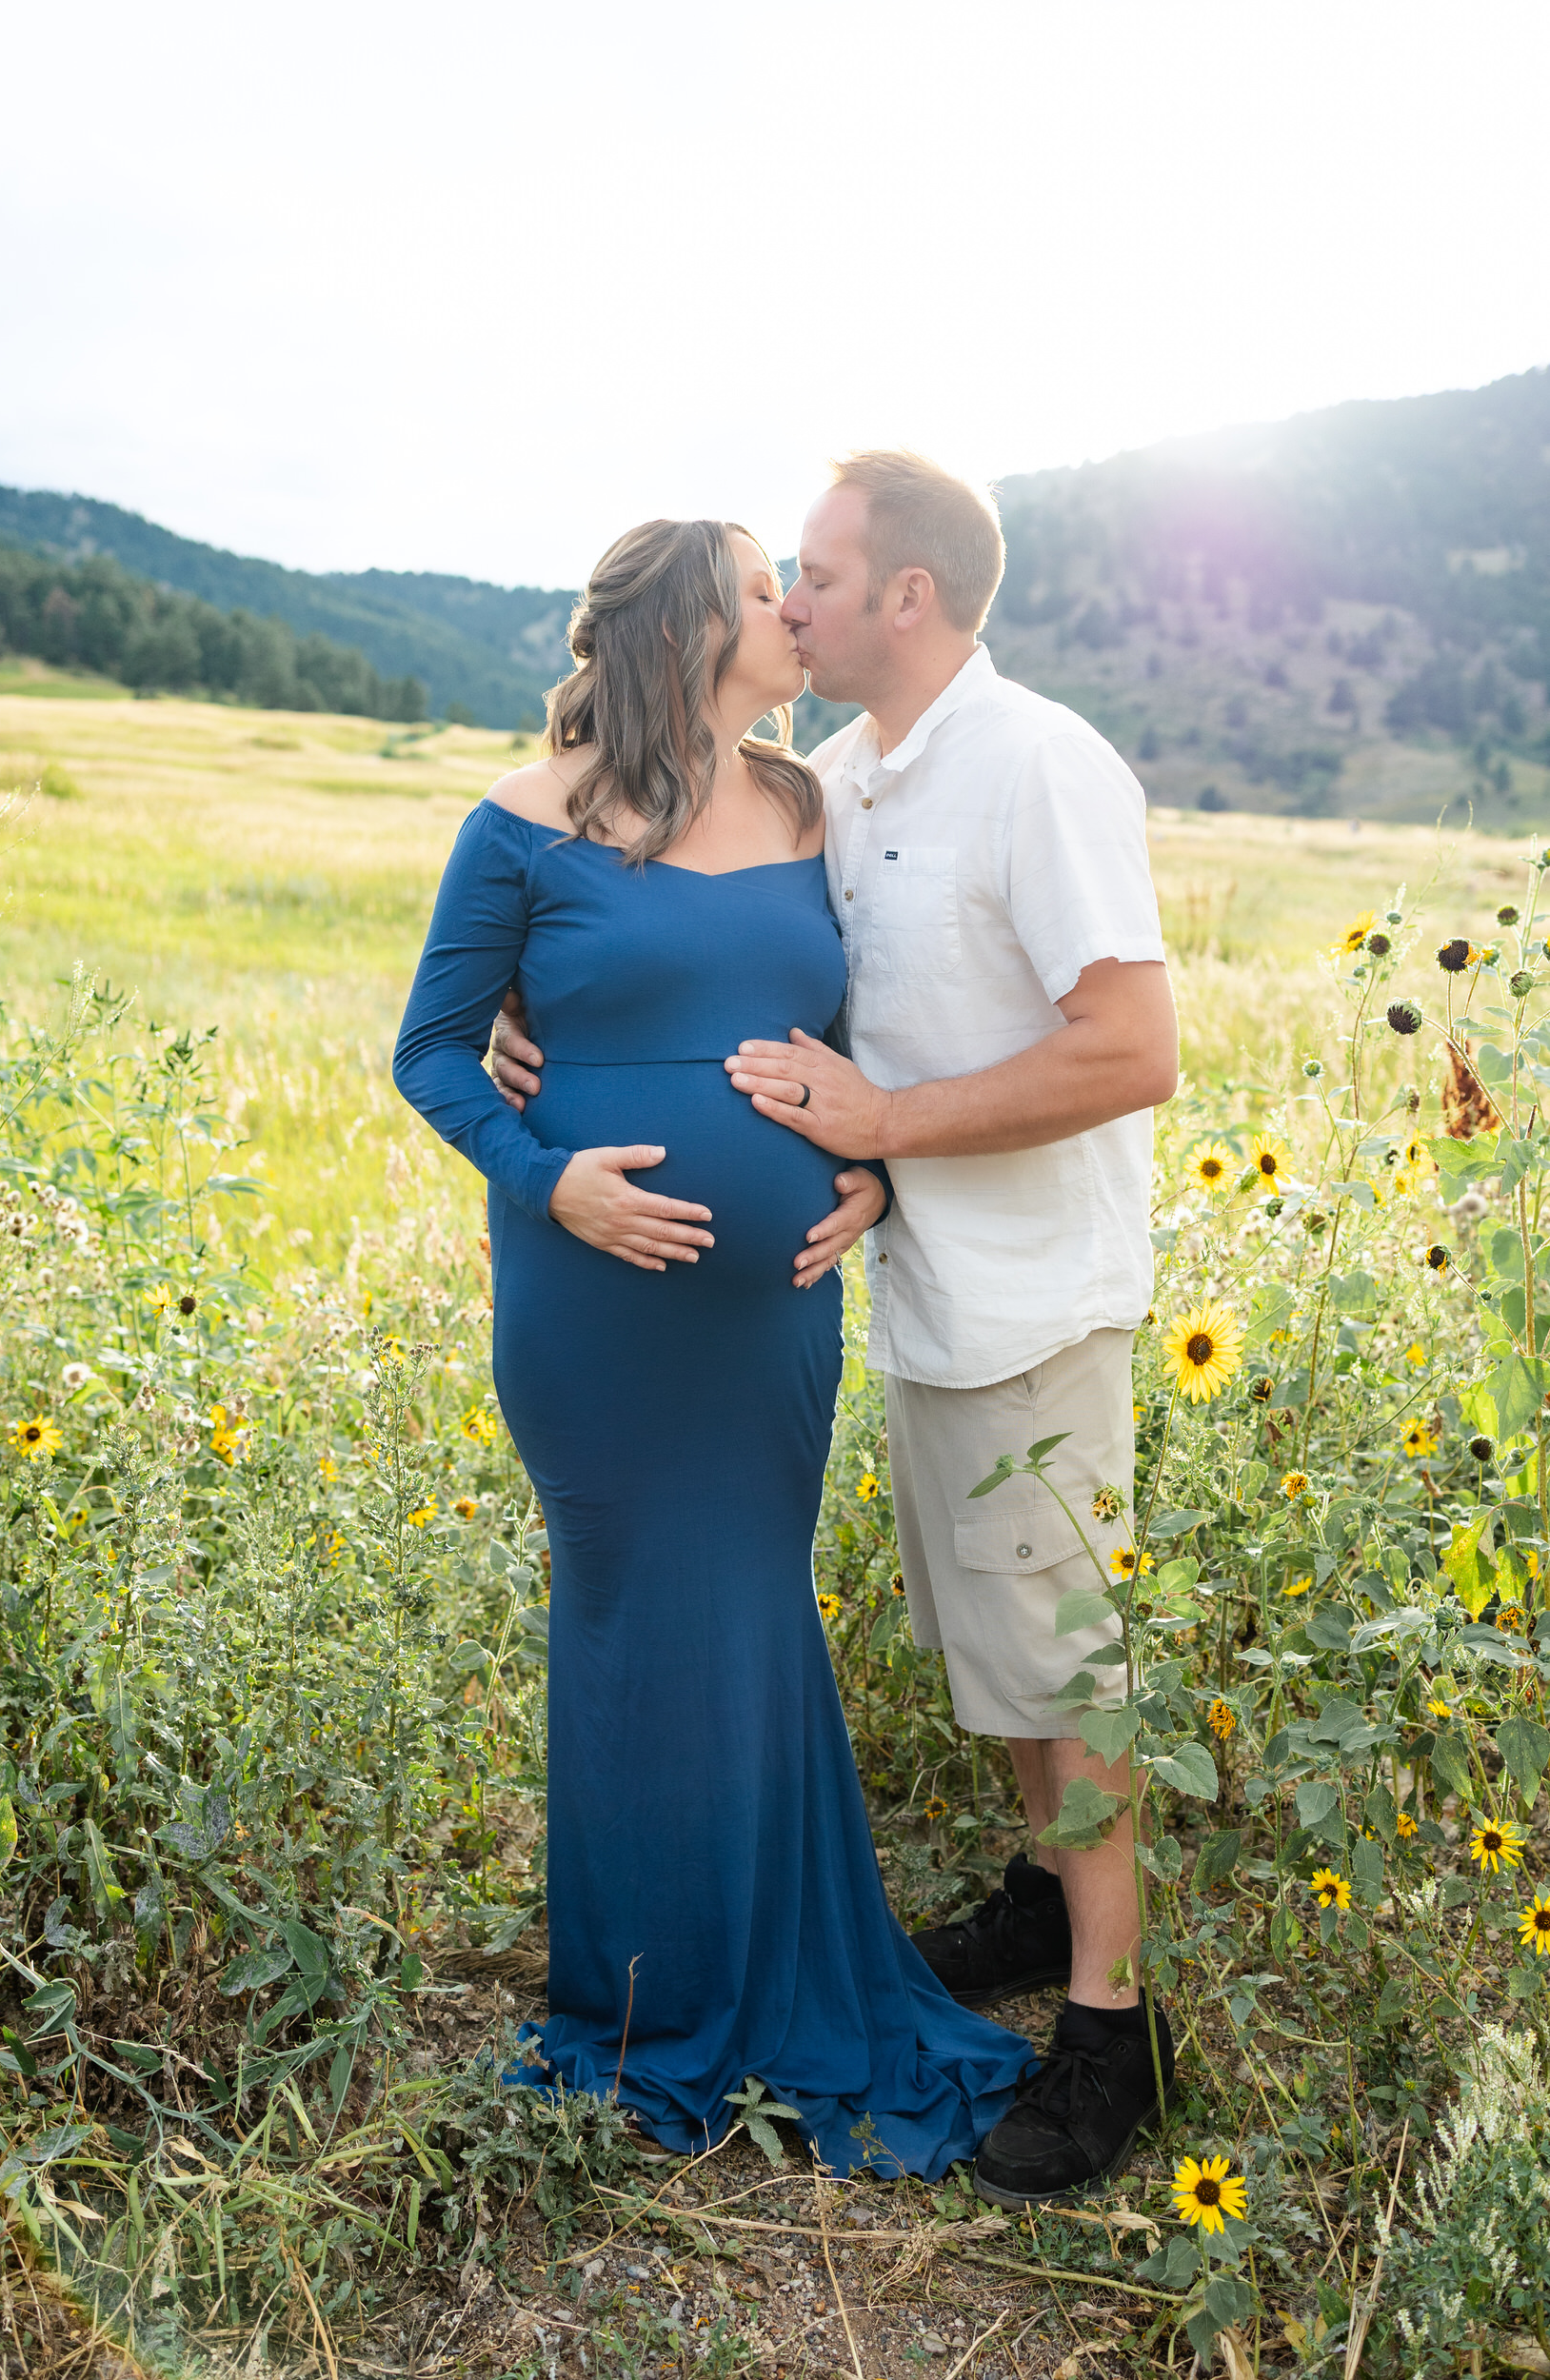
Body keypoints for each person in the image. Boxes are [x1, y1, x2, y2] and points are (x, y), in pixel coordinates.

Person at [496, 456, 1181, 2205]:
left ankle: (1114, 2031)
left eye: (814, 574)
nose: (790, 604)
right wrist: (538, 1042)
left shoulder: (1041, 765)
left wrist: (883, 1135)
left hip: (1035, 1295)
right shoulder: (843, 782)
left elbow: (1132, 1052)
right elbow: (759, 980)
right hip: (904, 1288)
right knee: (1006, 1655)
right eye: (777, 581)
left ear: (910, 598)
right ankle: (1042, 1907)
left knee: (1070, 1665)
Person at [392, 516, 1033, 2177]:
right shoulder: (523, 827)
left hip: (770, 1310)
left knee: (752, 1609)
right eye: (766, 587)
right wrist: (554, 1186)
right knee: (624, 1626)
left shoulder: (812, 804)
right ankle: (637, 2003)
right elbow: (435, 1054)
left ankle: (772, 1975)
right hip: (593, 1308)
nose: (794, 608)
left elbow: (865, 1032)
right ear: (688, 622)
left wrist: (875, 1169)